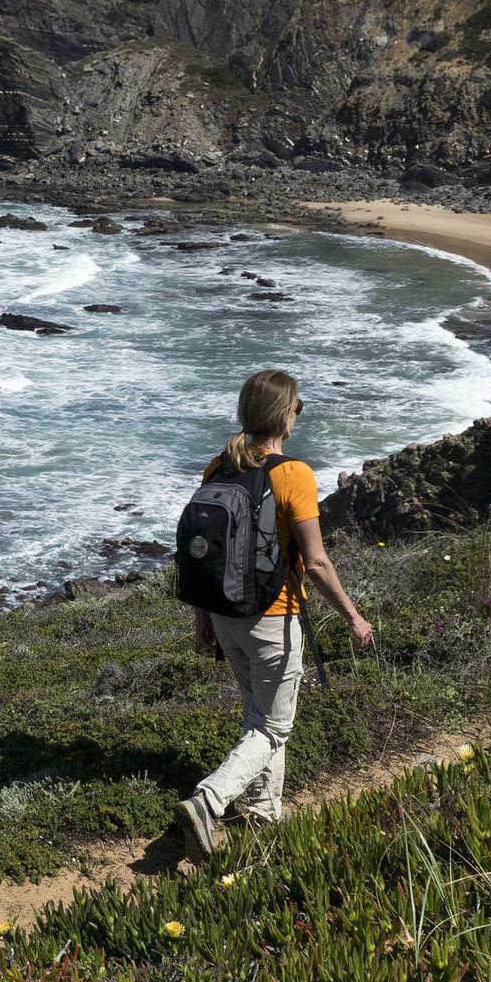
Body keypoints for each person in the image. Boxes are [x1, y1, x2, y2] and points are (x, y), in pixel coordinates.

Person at [177, 368, 372, 864]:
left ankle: (264, 813)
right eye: (297, 407)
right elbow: (316, 561)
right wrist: (353, 616)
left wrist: (203, 620)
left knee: (259, 717)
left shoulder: (217, 467)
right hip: (273, 619)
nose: (298, 414)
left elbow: (205, 554)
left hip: (225, 614)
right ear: (285, 416)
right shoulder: (293, 475)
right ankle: (210, 800)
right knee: (273, 728)